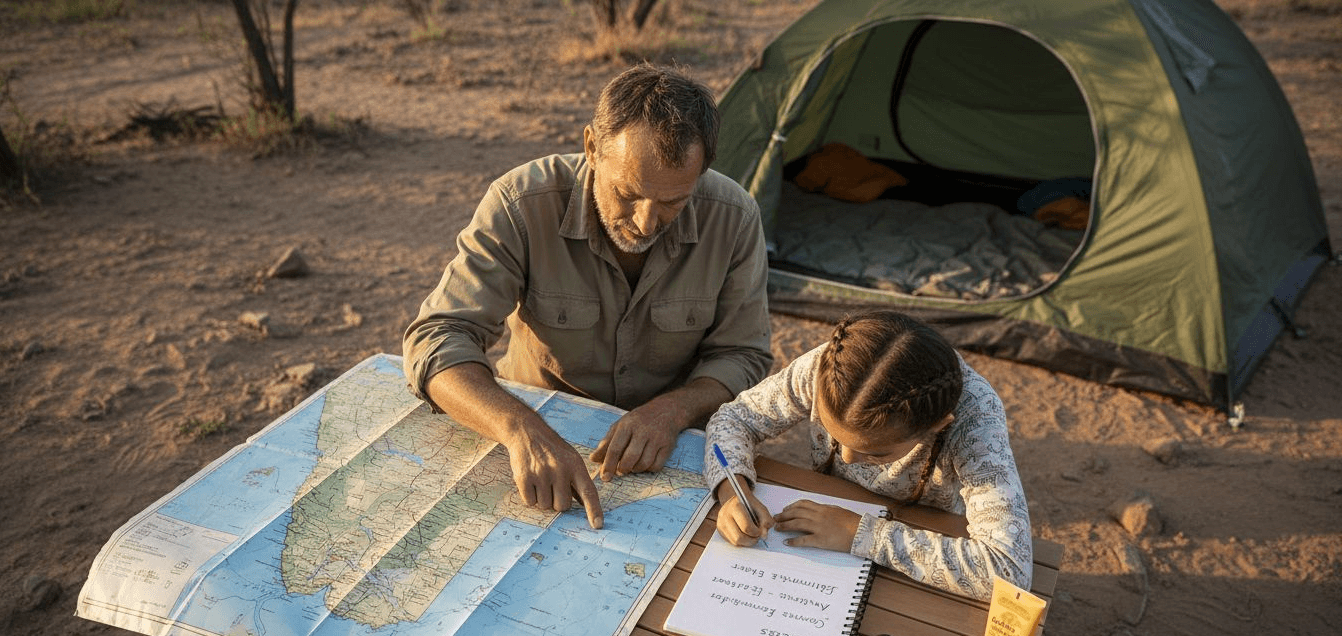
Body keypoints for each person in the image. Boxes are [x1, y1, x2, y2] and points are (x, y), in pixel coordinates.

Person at [403, 63, 773, 530]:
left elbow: (743, 354)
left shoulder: (734, 218)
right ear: (592, 147)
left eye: (673, 203)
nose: (644, 222)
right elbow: (437, 338)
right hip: (536, 432)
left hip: (668, 454)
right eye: (627, 193)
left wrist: (673, 411)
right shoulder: (520, 204)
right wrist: (521, 431)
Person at [704, 310, 1032, 600]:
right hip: (830, 513)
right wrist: (733, 492)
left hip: (924, 530)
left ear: (935, 426)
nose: (846, 459)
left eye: (875, 453)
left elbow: (1008, 571)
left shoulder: (975, 416)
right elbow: (734, 418)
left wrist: (861, 533)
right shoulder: (829, 371)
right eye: (835, 437)